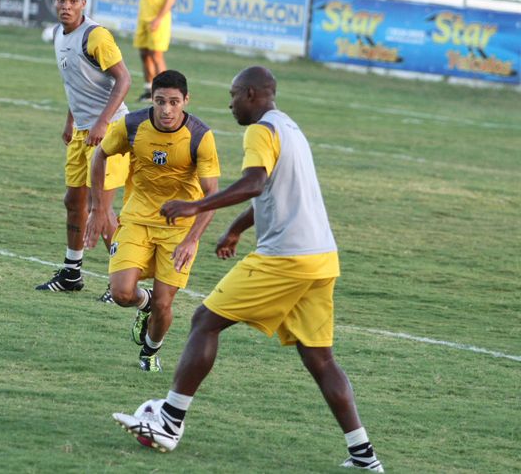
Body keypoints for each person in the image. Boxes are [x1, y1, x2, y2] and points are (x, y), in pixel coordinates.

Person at [111, 67, 383, 471]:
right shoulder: (291, 128)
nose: (230, 102)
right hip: (322, 257)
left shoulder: (259, 131)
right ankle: (364, 456)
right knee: (320, 359)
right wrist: (235, 230)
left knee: (204, 321)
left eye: (234, 94)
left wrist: (195, 207)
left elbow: (254, 183)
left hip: (284, 258)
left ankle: (169, 421)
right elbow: (273, 192)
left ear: (253, 95)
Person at [84, 70, 219, 371]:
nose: (167, 109)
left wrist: (191, 239)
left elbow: (212, 195)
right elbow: (99, 156)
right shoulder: (132, 124)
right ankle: (141, 306)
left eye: (174, 102)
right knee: (120, 294)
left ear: (185, 100)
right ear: (152, 100)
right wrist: (96, 209)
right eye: (160, 101)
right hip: (137, 220)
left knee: (164, 304)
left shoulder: (200, 136)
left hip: (178, 230)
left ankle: (149, 352)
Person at [35, 0, 132, 303]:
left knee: (101, 209)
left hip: (111, 131)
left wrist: (103, 123)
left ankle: (120, 281)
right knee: (73, 201)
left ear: (83, 4)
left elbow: (124, 79)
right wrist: (69, 121)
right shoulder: (59, 35)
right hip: (82, 131)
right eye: (61, 0)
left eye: (73, 1)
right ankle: (72, 272)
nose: (66, 6)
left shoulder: (96, 36)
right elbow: (75, 83)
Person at [130, 0, 181, 102]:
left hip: (158, 21)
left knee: (157, 57)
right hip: (143, 19)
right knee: (144, 55)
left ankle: (169, 94)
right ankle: (148, 92)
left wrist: (158, 19)